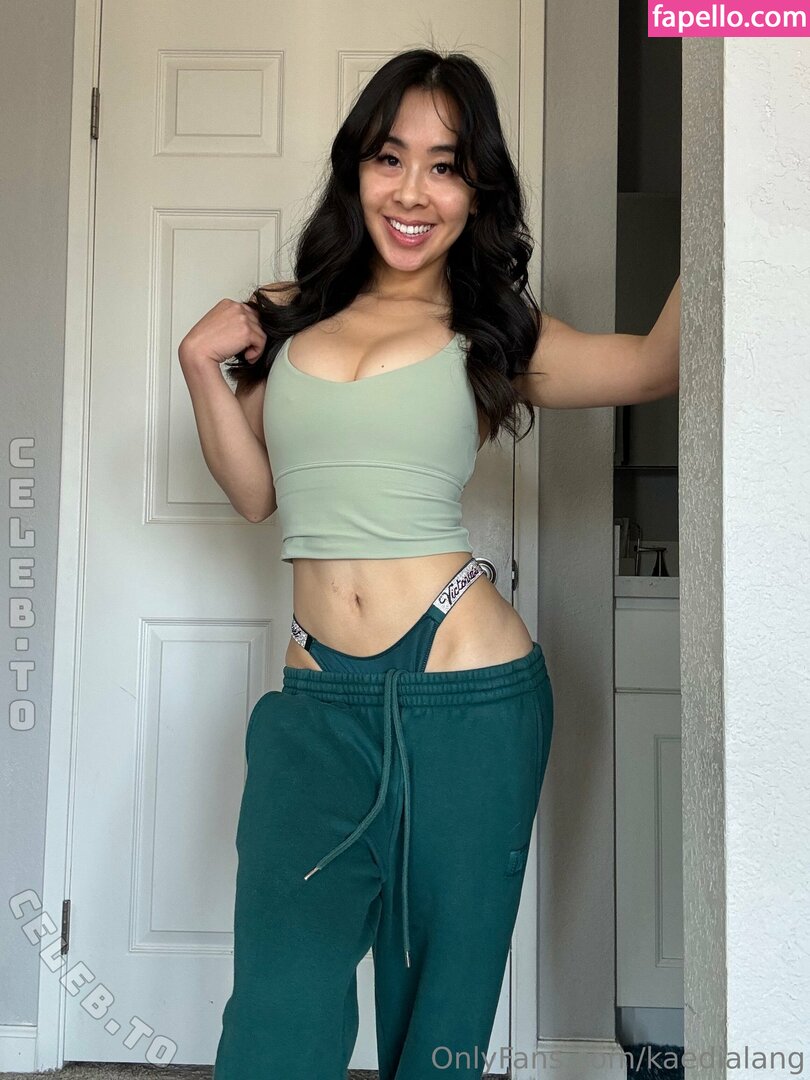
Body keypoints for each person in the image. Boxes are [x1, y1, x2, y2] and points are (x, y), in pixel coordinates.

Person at [179, 47, 679, 1080]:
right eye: (389, 158)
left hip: (469, 693)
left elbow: (649, 363)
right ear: (356, 169)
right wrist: (198, 369)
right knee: (277, 1010)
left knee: (439, 1014)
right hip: (318, 700)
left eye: (445, 166)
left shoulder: (494, 331)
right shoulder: (291, 313)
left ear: (476, 189)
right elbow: (256, 493)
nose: (412, 192)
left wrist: (744, 186)